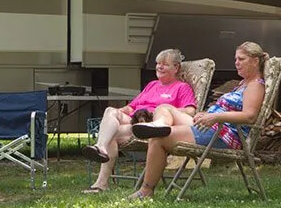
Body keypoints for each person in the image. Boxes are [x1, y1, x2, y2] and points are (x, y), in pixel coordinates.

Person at [125, 41, 269, 199]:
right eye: (236, 59)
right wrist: (205, 114)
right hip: (212, 127)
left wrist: (215, 116)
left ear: (255, 61)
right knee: (164, 107)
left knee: (158, 140)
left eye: (241, 59)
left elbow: (249, 116)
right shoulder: (243, 84)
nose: (236, 63)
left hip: (223, 135)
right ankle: (159, 125)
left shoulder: (255, 86)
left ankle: (146, 191)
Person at [80, 49, 197, 194]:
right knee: (110, 111)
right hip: (135, 121)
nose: (159, 67)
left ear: (176, 68)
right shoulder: (152, 85)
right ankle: (100, 147)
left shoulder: (181, 88)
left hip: (152, 126)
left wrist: (165, 111)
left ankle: (101, 183)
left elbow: (190, 111)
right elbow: (132, 107)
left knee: (112, 135)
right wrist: (118, 113)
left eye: (165, 64)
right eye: (158, 63)